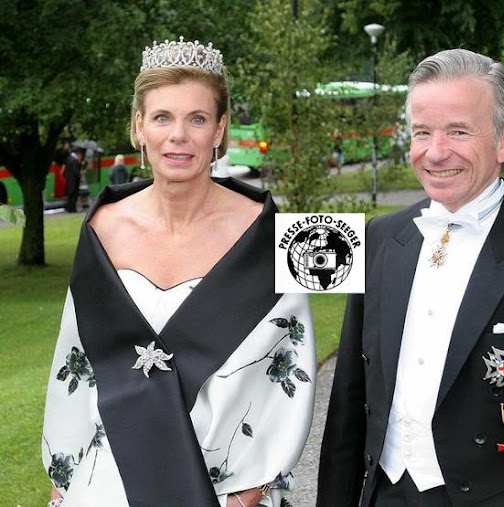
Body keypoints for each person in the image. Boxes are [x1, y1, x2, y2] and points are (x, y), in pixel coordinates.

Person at [318, 49, 504, 506]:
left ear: (503, 140)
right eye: (422, 132)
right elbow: (348, 402)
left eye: (458, 131)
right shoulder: (379, 238)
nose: (436, 152)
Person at [42, 37, 316, 507]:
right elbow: (76, 361)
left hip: (220, 489)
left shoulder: (278, 234)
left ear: (220, 129)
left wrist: (247, 494)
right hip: (107, 482)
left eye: (198, 119)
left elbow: (294, 369)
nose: (179, 135)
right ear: (138, 127)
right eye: (162, 117)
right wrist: (64, 484)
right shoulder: (101, 227)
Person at [61, 147, 85, 212]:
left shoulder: (68, 159)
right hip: (74, 180)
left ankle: (69, 208)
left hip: (69, 179)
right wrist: (79, 176)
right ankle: (72, 208)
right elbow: (76, 171)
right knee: (74, 194)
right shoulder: (74, 160)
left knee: (70, 194)